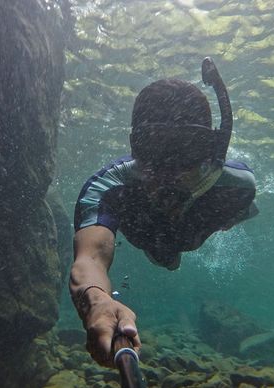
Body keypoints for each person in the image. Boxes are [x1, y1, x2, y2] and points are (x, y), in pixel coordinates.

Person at [69, 58, 259, 367]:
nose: (169, 171)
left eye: (187, 151)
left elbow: (241, 208)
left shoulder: (237, 188)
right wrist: (98, 302)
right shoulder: (108, 185)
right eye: (154, 151)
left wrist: (227, 218)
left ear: (210, 149)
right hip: (151, 238)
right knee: (165, 258)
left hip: (194, 225)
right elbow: (89, 258)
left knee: (177, 253)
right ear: (135, 147)